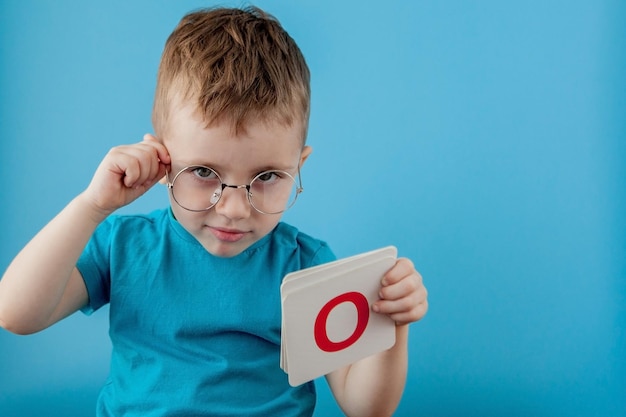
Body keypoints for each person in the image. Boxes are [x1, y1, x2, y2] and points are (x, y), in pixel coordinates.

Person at [0, 6, 428, 417]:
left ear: (299, 166)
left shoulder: (306, 268)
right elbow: (16, 313)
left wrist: (391, 326)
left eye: (267, 177)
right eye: (204, 172)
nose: (235, 209)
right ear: (161, 160)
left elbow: (367, 407)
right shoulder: (124, 246)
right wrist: (91, 207)